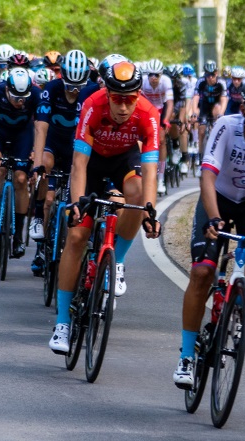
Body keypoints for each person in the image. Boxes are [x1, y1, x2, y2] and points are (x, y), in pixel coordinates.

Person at [172, 75, 245, 389]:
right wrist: (212, 218)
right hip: (218, 200)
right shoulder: (226, 126)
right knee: (201, 273)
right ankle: (186, 355)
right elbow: (207, 178)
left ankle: (239, 303)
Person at [48, 59, 162, 354]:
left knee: (136, 195)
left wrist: (150, 210)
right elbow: (79, 163)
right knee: (76, 237)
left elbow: (150, 170)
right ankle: (62, 323)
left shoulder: (149, 114)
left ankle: (117, 262)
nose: (123, 107)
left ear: (139, 96)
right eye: (117, 99)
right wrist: (76, 204)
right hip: (93, 163)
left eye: (130, 100)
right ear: (107, 93)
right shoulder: (92, 105)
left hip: (124, 159)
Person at [30, 49, 99, 274]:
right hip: (53, 141)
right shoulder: (51, 89)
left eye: (79, 85)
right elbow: (41, 128)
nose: (74, 91)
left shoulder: (89, 93)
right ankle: (39, 221)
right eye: (70, 84)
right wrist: (37, 164)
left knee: (73, 207)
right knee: (48, 194)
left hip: (75, 147)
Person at [0, 67, 42, 258]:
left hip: (23, 137)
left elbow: (40, 126)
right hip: (0, 133)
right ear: (7, 90)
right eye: (16, 97)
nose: (21, 101)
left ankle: (17, 236)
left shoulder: (36, 94)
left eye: (24, 97)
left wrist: (35, 151)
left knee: (21, 179)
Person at [139, 59, 173, 195]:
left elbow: (170, 103)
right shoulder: (142, 81)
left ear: (161, 75)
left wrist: (166, 120)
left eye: (156, 75)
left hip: (161, 109)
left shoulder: (166, 81)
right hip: (147, 109)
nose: (153, 78)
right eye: (150, 75)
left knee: (161, 139)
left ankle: (160, 179)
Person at [189, 60, 226, 169]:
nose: (210, 77)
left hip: (216, 106)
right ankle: (200, 156)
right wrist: (195, 111)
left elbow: (224, 99)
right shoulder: (200, 81)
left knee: (217, 111)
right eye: (208, 75)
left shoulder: (221, 82)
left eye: (213, 74)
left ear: (216, 73)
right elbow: (195, 98)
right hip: (204, 106)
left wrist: (221, 114)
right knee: (201, 130)